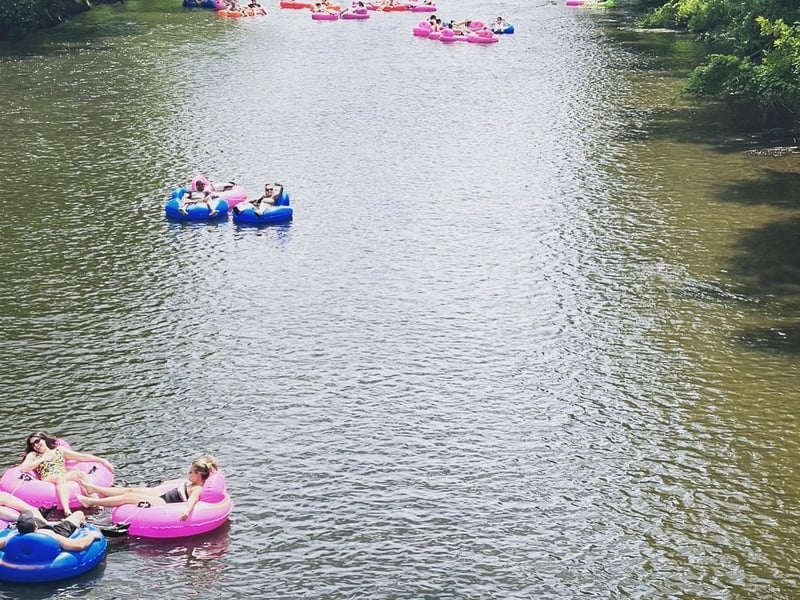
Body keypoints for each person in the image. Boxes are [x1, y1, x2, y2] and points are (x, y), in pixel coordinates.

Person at [77, 456, 217, 522]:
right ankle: (93, 489)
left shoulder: (197, 488)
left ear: (199, 475)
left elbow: (192, 500)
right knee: (129, 491)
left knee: (127, 498)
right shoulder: (192, 483)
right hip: (163, 495)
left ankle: (90, 501)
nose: (188, 474)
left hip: (165, 503)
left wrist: (186, 512)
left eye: (191, 472)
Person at [19, 432, 114, 517]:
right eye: (32, 444)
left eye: (37, 441)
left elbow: (82, 457)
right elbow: (24, 468)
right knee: (58, 478)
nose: (36, 445)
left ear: (44, 439)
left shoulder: (59, 450)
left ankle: (98, 504)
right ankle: (67, 510)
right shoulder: (33, 455)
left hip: (63, 475)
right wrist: (43, 459)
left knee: (79, 474)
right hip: (48, 478)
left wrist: (102, 460)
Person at [0, 510, 102, 552]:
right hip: (58, 531)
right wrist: (92, 536)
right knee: (79, 513)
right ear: (36, 526)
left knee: (35, 512)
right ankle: (49, 522)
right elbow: (78, 546)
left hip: (37, 529)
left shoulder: (12, 537)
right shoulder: (49, 535)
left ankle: (45, 521)